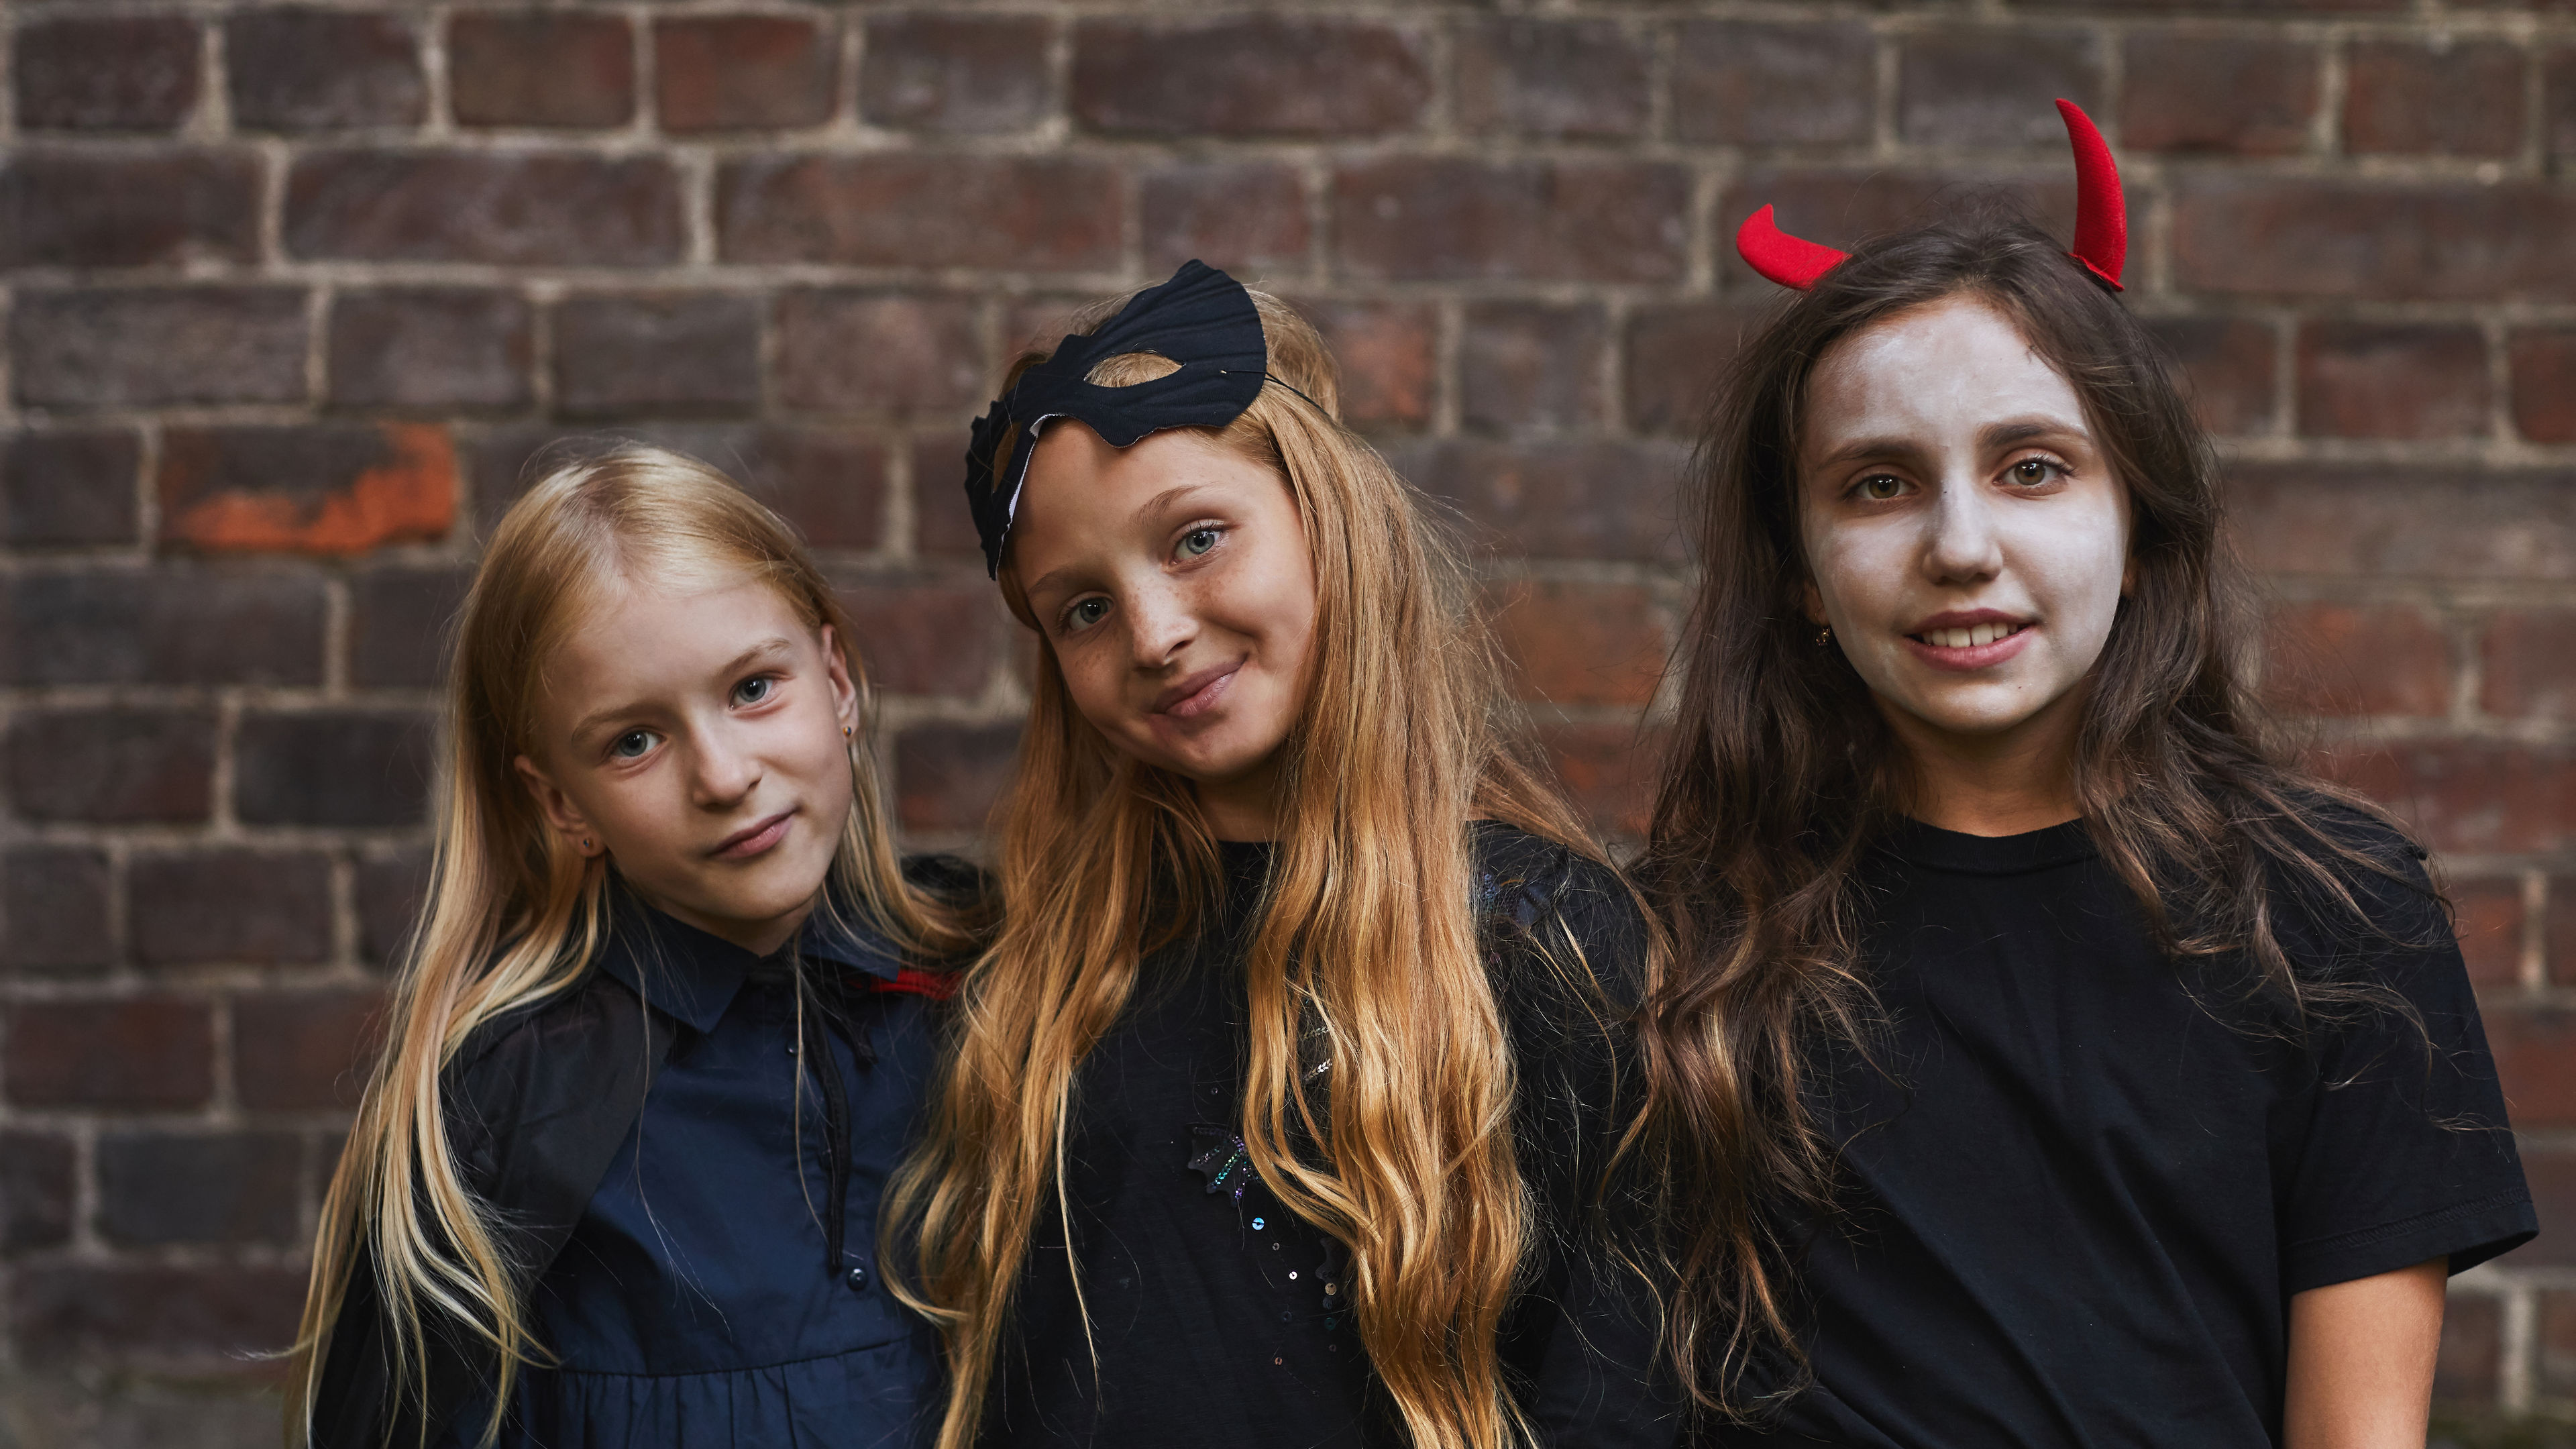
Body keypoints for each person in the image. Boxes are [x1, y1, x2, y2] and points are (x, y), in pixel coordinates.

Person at [1637, 103, 2535, 1448]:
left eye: (2034, 469)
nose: (1959, 544)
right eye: (1879, 484)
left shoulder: (2337, 918)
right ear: (1803, 578)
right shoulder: (1680, 946)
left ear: (2140, 529)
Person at [886, 261, 1672, 1449]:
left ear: (1328, 519)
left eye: (1196, 539)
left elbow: (1612, 1389)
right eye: (1083, 610)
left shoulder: (1546, 941)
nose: (1153, 632)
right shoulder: (1040, 965)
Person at [285, 444, 985, 1449]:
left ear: (836, 680)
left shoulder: (1000, 978)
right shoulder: (502, 1107)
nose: (723, 773)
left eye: (752, 688)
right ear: (564, 803)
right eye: (634, 742)